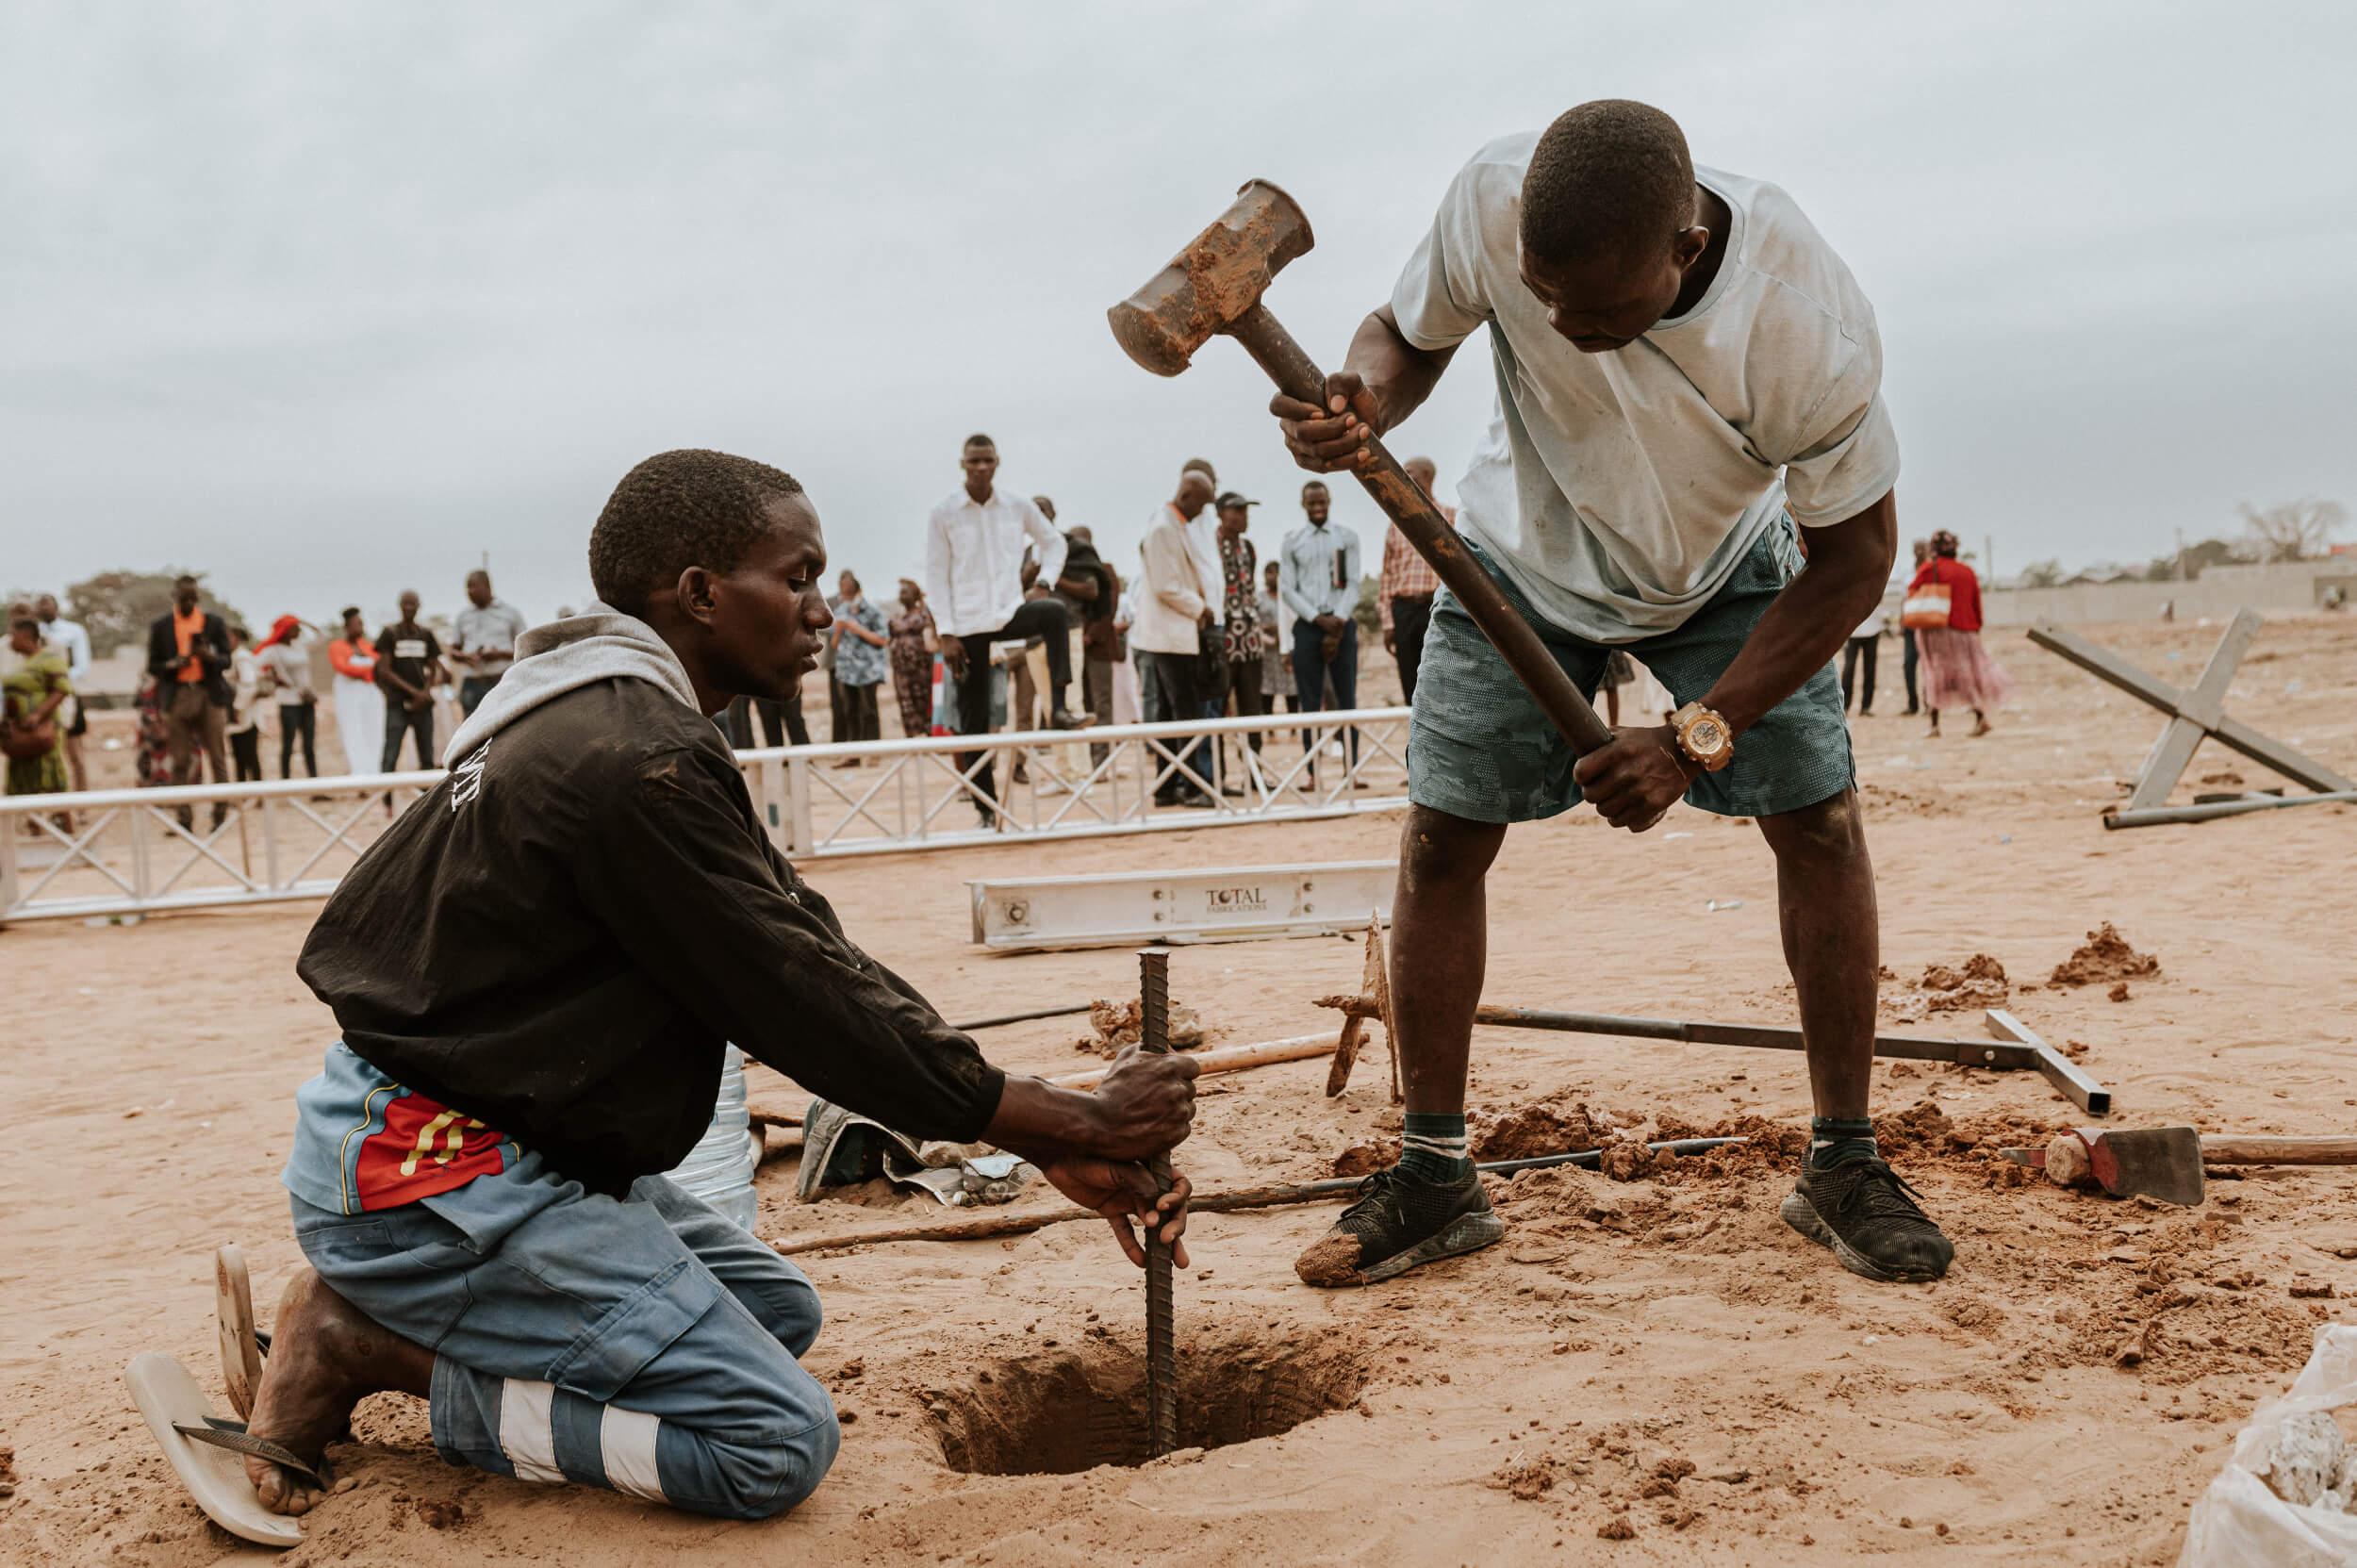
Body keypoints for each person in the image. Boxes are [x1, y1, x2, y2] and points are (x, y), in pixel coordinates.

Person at [234, 448, 1197, 1524]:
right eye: (796, 577)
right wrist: (1067, 1113)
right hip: (435, 1182)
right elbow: (797, 1000)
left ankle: (404, 1323)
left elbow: (806, 950)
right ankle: (352, 1345)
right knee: (769, 1443)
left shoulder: (606, 721)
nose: (822, 611)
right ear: (698, 593)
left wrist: (1043, 1131)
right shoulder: (632, 762)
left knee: (773, 1308)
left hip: (455, 1142)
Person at [1269, 99, 1950, 1288]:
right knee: (1439, 838)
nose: (1562, 326)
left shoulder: (1803, 324)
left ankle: (1841, 1160)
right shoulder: (1491, 199)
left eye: (1598, 308)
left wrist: (1693, 740)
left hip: (1727, 570)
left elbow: (1853, 560)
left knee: (1820, 822)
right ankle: (1434, 1172)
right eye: (1542, 298)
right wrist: (1368, 394)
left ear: (1685, 247)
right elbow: (1406, 331)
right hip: (1516, 560)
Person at [925, 435, 1088, 825]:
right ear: (962, 464)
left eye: (987, 461)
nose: (981, 467)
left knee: (1051, 613)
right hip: (965, 625)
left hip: (1008, 611)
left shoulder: (1016, 506)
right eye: (974, 461)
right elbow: (935, 574)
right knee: (975, 719)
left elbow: (1054, 544)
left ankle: (1061, 707)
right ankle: (987, 808)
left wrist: (1045, 581)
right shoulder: (943, 513)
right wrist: (946, 632)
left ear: (997, 462)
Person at [1132, 465, 1220, 808]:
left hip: (1176, 635)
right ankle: (1190, 785)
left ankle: (1169, 786)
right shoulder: (1162, 529)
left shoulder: (1176, 525)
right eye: (1201, 503)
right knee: (1183, 714)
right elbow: (1165, 585)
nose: (1203, 511)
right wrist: (1200, 608)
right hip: (1170, 636)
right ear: (1185, 496)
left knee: (1172, 715)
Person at [1277, 480, 1363, 784]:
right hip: (1309, 626)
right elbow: (1287, 589)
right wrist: (1316, 618)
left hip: (1340, 624)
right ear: (1304, 504)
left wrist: (1337, 620)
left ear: (1329, 500)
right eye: (1311, 503)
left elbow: (1353, 583)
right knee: (1309, 703)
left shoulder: (1347, 537)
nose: (1317, 508)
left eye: (1321, 502)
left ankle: (1350, 771)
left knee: (1347, 699)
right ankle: (1313, 773)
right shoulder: (1292, 541)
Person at [145, 574, 234, 828]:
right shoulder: (162, 627)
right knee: (180, 760)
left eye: (193, 598)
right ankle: (184, 819)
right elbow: (152, 665)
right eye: (184, 598)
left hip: (209, 694)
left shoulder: (213, 623)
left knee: (217, 757)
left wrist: (209, 657)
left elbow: (226, 660)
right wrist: (173, 664)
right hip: (178, 695)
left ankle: (220, 815)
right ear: (175, 597)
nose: (189, 602)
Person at [1910, 530, 2008, 737]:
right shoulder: (1967, 572)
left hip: (1938, 630)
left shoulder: (1929, 569)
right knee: (1967, 675)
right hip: (1967, 631)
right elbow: (1976, 603)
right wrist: (1976, 626)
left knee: (1935, 673)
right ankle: (1980, 718)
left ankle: (1934, 726)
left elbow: (1912, 592)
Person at [1380, 459, 1451, 705]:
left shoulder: (1450, 516)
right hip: (1404, 610)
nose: (1403, 477)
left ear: (1428, 476)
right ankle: (1415, 739)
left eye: (1409, 473)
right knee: (1410, 680)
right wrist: (1389, 623)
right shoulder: (1396, 522)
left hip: (1437, 607)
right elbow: (1388, 576)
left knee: (1441, 676)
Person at [1213, 493, 1266, 781]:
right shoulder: (1210, 547)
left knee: (1252, 708)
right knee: (1219, 708)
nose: (1244, 517)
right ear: (1221, 513)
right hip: (1223, 639)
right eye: (1237, 511)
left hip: (1250, 638)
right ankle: (1217, 776)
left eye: (1245, 511)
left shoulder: (1248, 548)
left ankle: (1254, 772)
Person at [4, 614, 74, 813]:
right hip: (19, 730)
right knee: (24, 777)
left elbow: (61, 689)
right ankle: (35, 826)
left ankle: (64, 823)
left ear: (26, 635)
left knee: (50, 774)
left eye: (13, 635)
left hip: (42, 728)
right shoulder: (20, 664)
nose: (10, 640)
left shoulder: (50, 659)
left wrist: (37, 715)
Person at [373, 591, 448, 772]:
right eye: (405, 604)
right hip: (398, 702)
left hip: (422, 705)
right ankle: (386, 798)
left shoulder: (425, 634)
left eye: (412, 604)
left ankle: (426, 797)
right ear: (400, 606)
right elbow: (384, 670)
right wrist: (415, 693)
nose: (409, 608)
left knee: (426, 755)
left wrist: (426, 691)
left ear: (418, 607)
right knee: (391, 753)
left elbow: (432, 666)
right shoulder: (390, 633)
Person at [827, 570, 888, 761]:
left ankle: (873, 754)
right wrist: (839, 629)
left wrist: (857, 629)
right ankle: (853, 755)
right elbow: (834, 645)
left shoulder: (873, 611)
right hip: (846, 671)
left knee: (869, 711)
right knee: (849, 712)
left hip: (868, 670)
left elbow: (882, 639)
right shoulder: (840, 612)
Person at [34, 594, 91, 791]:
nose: (43, 608)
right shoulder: (33, 633)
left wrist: (58, 683)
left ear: (56, 607)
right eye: (40, 605)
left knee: (76, 755)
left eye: (46, 604)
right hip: (41, 701)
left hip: (68, 698)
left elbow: (82, 667)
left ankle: (82, 805)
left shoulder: (73, 631)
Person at [452, 570, 528, 717]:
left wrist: (498, 654)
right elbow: (453, 651)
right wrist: (465, 657)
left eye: (474, 586)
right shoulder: (463, 616)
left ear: (487, 586)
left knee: (505, 726)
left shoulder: (510, 613)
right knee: (471, 731)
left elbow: (524, 648)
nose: (469, 591)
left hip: (502, 681)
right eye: (467, 587)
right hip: (472, 683)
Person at [257, 616, 321, 779]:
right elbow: (254, 665)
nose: (299, 631)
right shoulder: (274, 650)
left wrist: (303, 621)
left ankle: (315, 785)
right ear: (286, 631)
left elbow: (321, 637)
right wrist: (272, 679)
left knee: (309, 745)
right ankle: (285, 782)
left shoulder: (299, 646)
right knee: (288, 744)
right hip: (288, 701)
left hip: (307, 699)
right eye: (295, 627)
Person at [327, 608, 385, 777]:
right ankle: (359, 772)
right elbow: (343, 667)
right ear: (347, 626)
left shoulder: (367, 646)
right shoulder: (336, 646)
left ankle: (374, 771)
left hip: (370, 692)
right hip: (348, 693)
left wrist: (365, 670)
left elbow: (379, 665)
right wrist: (368, 670)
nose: (361, 627)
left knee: (373, 730)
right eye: (357, 623)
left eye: (362, 623)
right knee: (353, 731)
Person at [886, 579, 937, 740]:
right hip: (900, 669)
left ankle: (929, 736)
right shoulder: (896, 616)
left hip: (921, 668)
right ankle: (912, 738)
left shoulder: (924, 613)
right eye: (900, 592)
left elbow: (931, 636)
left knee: (923, 701)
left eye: (905, 591)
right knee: (906, 704)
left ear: (914, 594)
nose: (901, 595)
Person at [228, 626, 269, 784]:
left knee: (249, 756)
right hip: (243, 715)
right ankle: (244, 793)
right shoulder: (237, 656)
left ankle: (255, 793)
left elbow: (248, 684)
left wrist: (237, 708)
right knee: (240, 756)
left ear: (237, 637)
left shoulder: (241, 657)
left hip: (246, 716)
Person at [1842, 596, 1886, 716]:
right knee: (1849, 668)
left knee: (1870, 669)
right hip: (1852, 630)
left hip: (1873, 627)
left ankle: (1866, 706)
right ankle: (1845, 705)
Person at [1901, 537, 1929, 715]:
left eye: (1922, 548)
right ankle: (1913, 705)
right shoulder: (1907, 574)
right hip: (1911, 624)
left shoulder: (1931, 572)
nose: (1918, 551)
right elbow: (1905, 599)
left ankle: (1930, 703)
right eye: (1916, 548)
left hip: (1927, 624)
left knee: (1928, 666)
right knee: (1909, 664)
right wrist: (1902, 621)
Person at [1258, 560, 1290, 716]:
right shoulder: (1259, 598)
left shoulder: (1288, 597)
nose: (1272, 576)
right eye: (1269, 572)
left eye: (1276, 572)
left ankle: (1293, 726)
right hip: (1267, 651)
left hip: (1285, 649)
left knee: (1291, 688)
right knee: (1267, 689)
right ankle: (1268, 727)